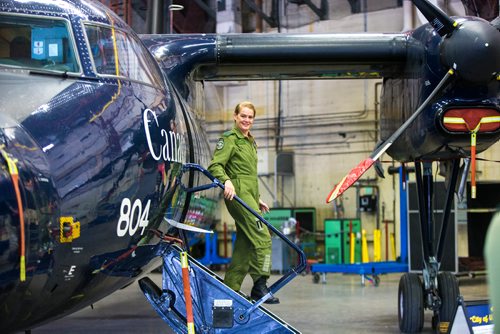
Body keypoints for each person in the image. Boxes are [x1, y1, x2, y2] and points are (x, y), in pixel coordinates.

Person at [207, 101, 279, 304]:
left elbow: (247, 175)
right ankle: (260, 285)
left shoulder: (250, 142)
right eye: (243, 116)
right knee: (263, 235)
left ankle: (229, 288)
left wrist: (257, 198)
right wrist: (226, 181)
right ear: (235, 117)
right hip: (236, 195)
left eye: (250, 117)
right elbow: (216, 165)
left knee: (246, 243)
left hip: (249, 195)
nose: (246, 120)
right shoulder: (230, 139)